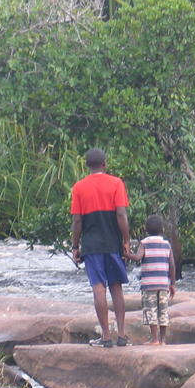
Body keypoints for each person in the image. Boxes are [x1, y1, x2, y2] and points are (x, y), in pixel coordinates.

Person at [71, 148, 131, 348]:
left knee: (98, 288)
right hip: (113, 243)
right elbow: (121, 214)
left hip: (91, 245)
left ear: (87, 166)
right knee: (116, 287)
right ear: (104, 164)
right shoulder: (116, 183)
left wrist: (75, 246)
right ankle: (122, 335)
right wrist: (126, 241)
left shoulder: (79, 187)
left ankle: (105, 336)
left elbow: (77, 221)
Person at [125, 214, 176, 345]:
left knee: (151, 311)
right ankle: (163, 340)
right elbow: (172, 265)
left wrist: (125, 254)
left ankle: (154, 339)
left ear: (146, 230)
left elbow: (137, 257)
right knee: (163, 311)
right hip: (163, 284)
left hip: (149, 285)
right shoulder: (166, 244)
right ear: (162, 230)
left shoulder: (145, 243)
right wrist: (173, 284)